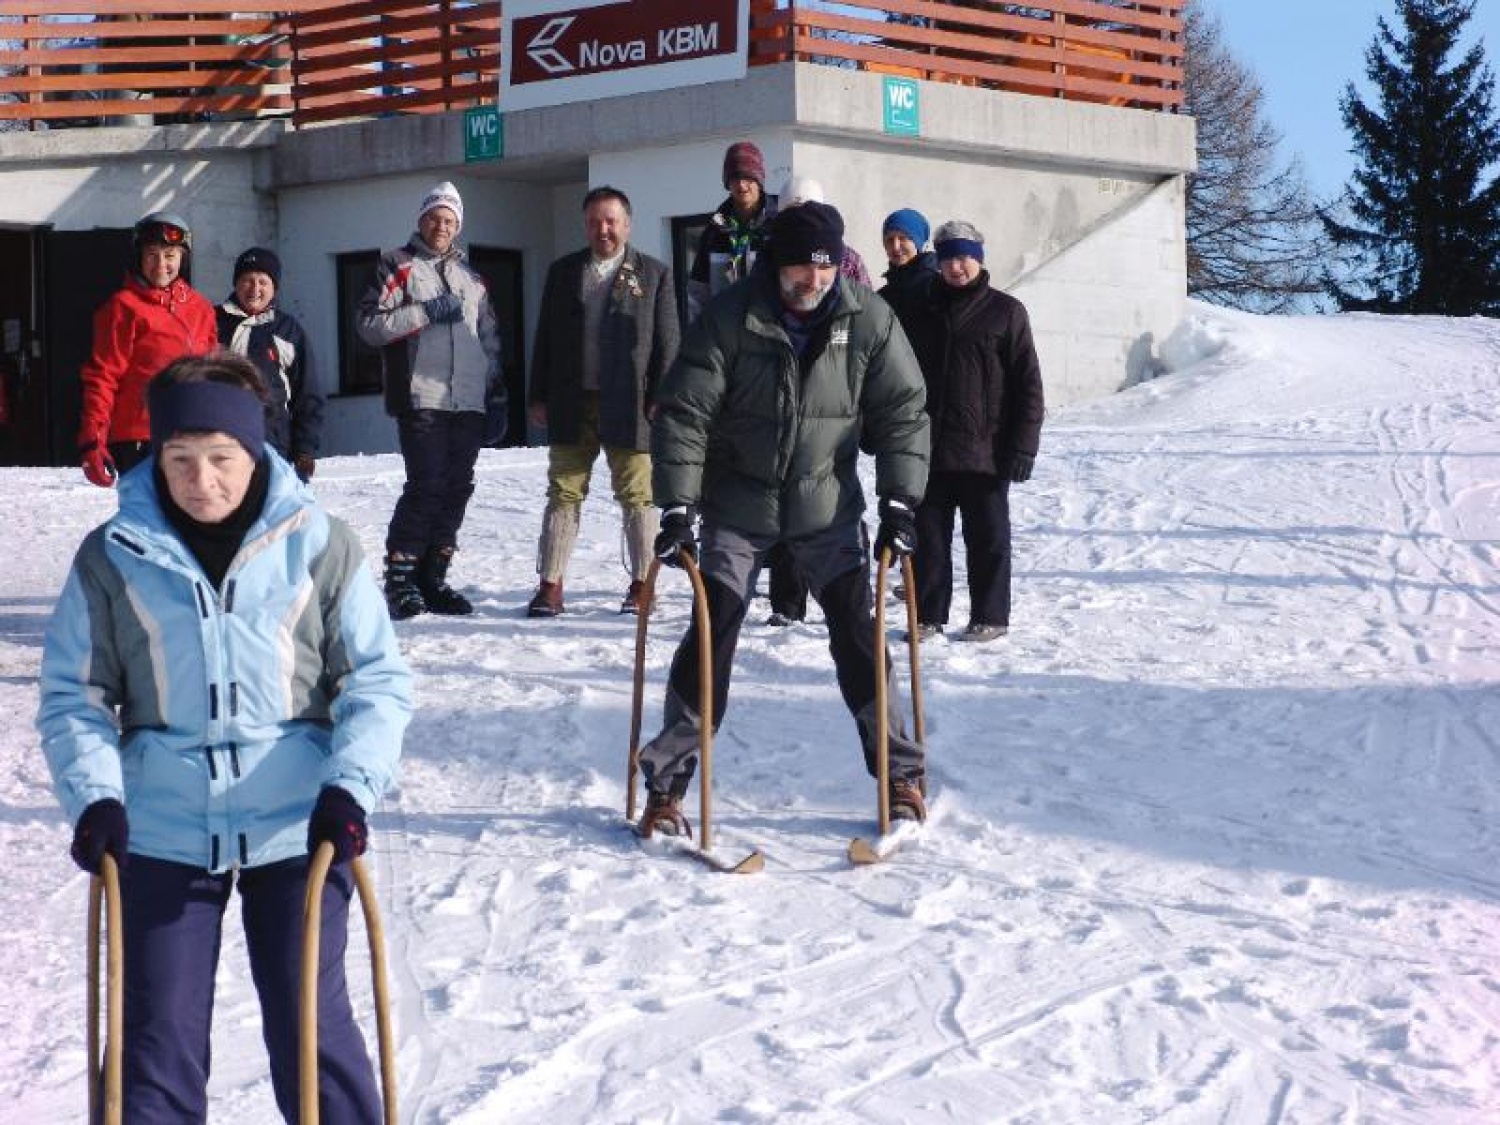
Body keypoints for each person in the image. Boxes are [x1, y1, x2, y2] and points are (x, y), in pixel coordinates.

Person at [36, 352, 412, 1123]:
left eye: (221, 458)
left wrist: (349, 786)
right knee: (156, 1045)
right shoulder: (113, 556)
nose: (200, 480)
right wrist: (96, 797)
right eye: (179, 459)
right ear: (156, 455)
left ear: (256, 448)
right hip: (163, 828)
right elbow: (74, 692)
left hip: (296, 829)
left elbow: (375, 680)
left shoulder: (320, 544)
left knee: (314, 1034)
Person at [639, 200, 932, 835]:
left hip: (826, 503)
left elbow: (904, 410)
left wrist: (900, 499)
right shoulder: (729, 317)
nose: (815, 283)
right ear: (776, 263)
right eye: (802, 270)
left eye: (826, 271)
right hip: (736, 504)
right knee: (712, 631)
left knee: (858, 632)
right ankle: (666, 787)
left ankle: (901, 773)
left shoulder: (868, 318)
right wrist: (679, 503)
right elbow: (685, 413)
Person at [526, 186, 680, 617]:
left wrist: (661, 398)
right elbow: (545, 338)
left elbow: (669, 343)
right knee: (564, 490)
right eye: (595, 221)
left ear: (627, 225)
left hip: (631, 403)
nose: (603, 229)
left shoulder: (654, 275)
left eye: (611, 221)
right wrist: (538, 394)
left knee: (638, 494)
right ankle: (550, 586)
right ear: (585, 225)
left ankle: (641, 585)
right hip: (571, 400)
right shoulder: (563, 272)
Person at [358, 181, 504, 619]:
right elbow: (368, 324)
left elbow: (490, 339)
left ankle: (433, 576)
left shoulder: (473, 279)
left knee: (458, 488)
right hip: (421, 394)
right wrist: (423, 312)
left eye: (450, 220)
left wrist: (496, 392)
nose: (441, 226)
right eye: (434, 218)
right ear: (421, 220)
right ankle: (400, 577)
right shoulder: (395, 264)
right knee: (426, 485)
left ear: (458, 227)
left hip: (469, 400)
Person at [902, 220, 1045, 643]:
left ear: (978, 260)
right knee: (927, 540)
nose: (955, 267)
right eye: (947, 259)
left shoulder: (1006, 311)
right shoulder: (921, 309)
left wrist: (1024, 446)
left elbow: (1029, 386)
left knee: (988, 539)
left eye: (963, 258)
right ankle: (927, 615)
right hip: (930, 448)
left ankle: (990, 616)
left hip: (987, 451)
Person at [757, 174, 874, 627]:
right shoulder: (769, 258)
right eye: (791, 209)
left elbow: (864, 323)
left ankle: (850, 597)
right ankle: (787, 602)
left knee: (836, 499)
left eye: (807, 206)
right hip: (779, 396)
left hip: (835, 396)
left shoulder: (848, 261)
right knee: (784, 499)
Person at [77, 210, 217, 486]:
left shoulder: (201, 308)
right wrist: (93, 439)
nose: (161, 264)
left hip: (192, 434)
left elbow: (212, 374)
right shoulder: (123, 307)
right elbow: (103, 376)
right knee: (147, 524)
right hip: (140, 439)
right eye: (152, 254)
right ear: (139, 257)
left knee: (191, 523)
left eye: (170, 255)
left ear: (183, 258)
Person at [217, 246, 324, 482]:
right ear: (236, 284)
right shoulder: (212, 323)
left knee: (270, 511)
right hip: (218, 439)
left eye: (262, 282)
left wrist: (305, 450)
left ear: (274, 287)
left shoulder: (287, 330)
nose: (255, 289)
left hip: (272, 443)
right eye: (247, 280)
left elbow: (307, 395)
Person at [686, 140, 778, 323]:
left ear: (759, 180)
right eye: (735, 178)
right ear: (727, 183)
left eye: (749, 177)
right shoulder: (715, 230)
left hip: (771, 328)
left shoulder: (779, 222)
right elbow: (698, 293)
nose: (742, 185)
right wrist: (696, 334)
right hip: (726, 334)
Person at [877, 207, 940, 324]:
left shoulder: (936, 287)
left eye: (903, 238)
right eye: (890, 240)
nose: (895, 246)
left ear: (919, 242)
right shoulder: (883, 296)